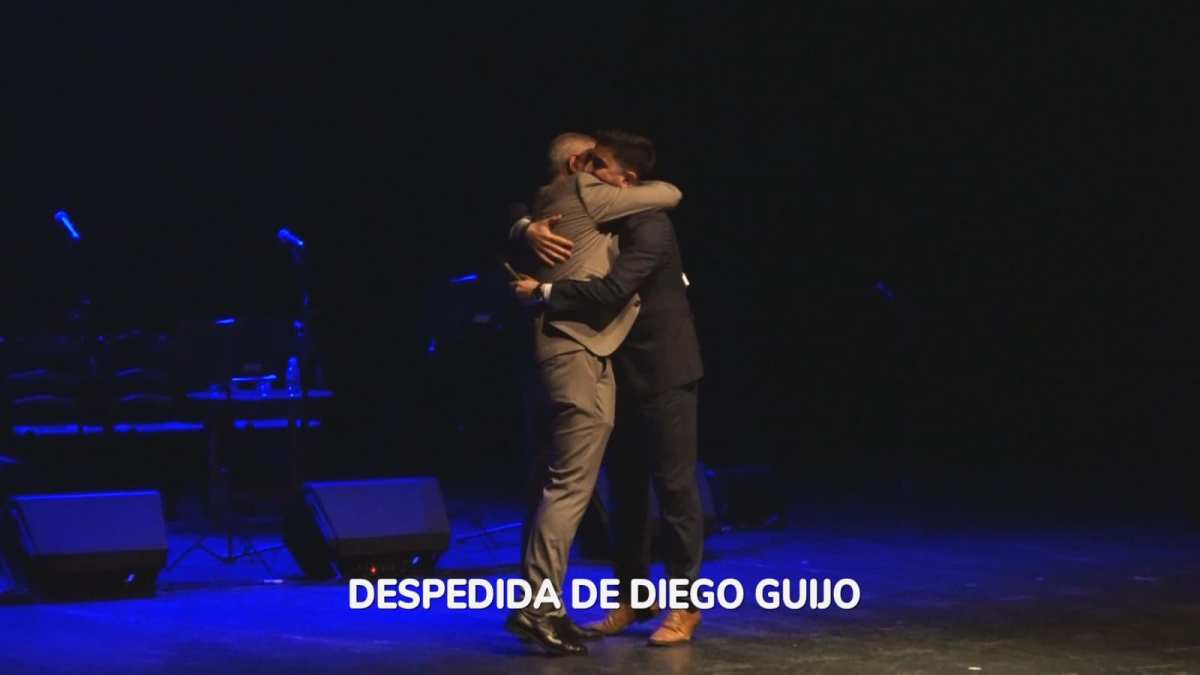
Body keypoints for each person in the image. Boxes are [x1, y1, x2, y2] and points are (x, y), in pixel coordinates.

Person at [512, 130, 705, 647]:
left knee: (675, 488)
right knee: (624, 492)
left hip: (662, 370)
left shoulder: (650, 225)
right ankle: (634, 599)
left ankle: (685, 606)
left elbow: (615, 290)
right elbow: (530, 196)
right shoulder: (595, 215)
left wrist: (544, 291)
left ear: (627, 180)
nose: (586, 172)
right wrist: (526, 227)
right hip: (614, 368)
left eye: (599, 165)